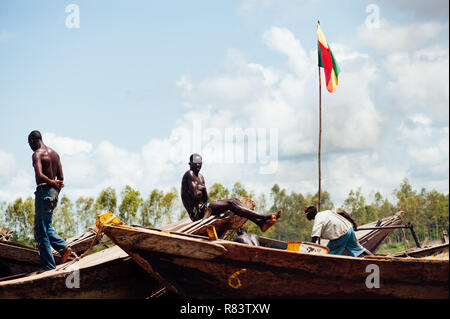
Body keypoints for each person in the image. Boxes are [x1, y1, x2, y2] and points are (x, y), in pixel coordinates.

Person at [181, 153, 282, 232]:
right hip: (196, 213)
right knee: (230, 203)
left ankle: (260, 223)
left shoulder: (201, 177)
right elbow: (195, 196)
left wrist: (203, 189)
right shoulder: (189, 174)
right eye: (195, 162)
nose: (198, 164)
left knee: (234, 201)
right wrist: (202, 189)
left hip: (203, 207)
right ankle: (263, 217)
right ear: (190, 164)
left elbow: (205, 198)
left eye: (200, 162)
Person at [28, 130, 72, 271]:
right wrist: (55, 189)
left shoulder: (37, 154)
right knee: (46, 227)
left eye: (30, 144)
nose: (30, 147)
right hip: (53, 194)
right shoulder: (55, 154)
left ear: (33, 141)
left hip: (44, 191)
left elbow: (39, 176)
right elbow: (61, 178)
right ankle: (63, 248)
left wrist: (51, 184)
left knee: (40, 231)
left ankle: (49, 266)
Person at [304, 205, 373, 257]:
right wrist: (354, 223)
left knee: (328, 255)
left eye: (306, 215)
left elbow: (314, 238)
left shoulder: (318, 219)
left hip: (340, 235)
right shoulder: (327, 212)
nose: (306, 217)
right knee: (359, 249)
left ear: (310, 214)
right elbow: (342, 212)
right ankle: (376, 259)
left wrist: (308, 252)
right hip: (349, 229)